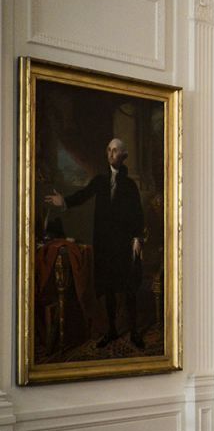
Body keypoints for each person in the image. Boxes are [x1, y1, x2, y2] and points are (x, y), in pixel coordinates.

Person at [44, 137, 145, 349]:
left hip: (124, 243)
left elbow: (137, 213)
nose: (111, 153)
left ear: (123, 155)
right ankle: (112, 331)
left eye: (115, 150)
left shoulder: (130, 185)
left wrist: (137, 238)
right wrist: (64, 202)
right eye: (108, 150)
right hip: (106, 243)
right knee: (108, 287)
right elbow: (83, 195)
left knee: (128, 289)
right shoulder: (100, 180)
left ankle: (135, 331)